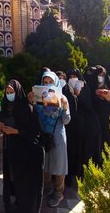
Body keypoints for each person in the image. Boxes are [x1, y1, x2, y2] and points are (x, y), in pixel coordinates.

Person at [0, 80, 44, 213]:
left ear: (17, 92)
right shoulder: (6, 105)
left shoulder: (27, 108)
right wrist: (0, 126)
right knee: (12, 179)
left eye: (12, 92)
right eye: (7, 92)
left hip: (26, 152)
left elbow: (35, 132)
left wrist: (16, 131)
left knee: (24, 183)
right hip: (10, 149)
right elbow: (2, 119)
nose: (9, 94)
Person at [36, 71, 70, 208]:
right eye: (45, 82)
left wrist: (65, 107)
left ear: (55, 82)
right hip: (44, 135)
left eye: (51, 82)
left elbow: (66, 121)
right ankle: (48, 188)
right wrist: (33, 103)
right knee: (45, 164)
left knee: (59, 165)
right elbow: (35, 118)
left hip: (57, 135)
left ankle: (58, 193)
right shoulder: (39, 98)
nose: (48, 84)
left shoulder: (62, 98)